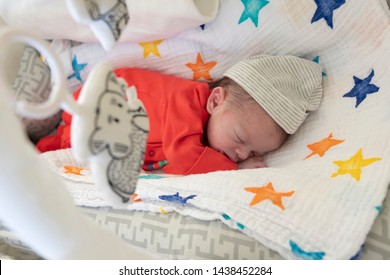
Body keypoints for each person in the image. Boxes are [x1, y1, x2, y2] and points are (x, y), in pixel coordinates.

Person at [36, 54, 323, 175]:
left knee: (57, 151)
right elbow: (182, 157)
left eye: (251, 153)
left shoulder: (208, 126)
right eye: (240, 138)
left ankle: (46, 147)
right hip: (95, 108)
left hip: (98, 135)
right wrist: (235, 170)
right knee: (65, 143)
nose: (241, 153)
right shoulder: (184, 101)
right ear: (215, 101)